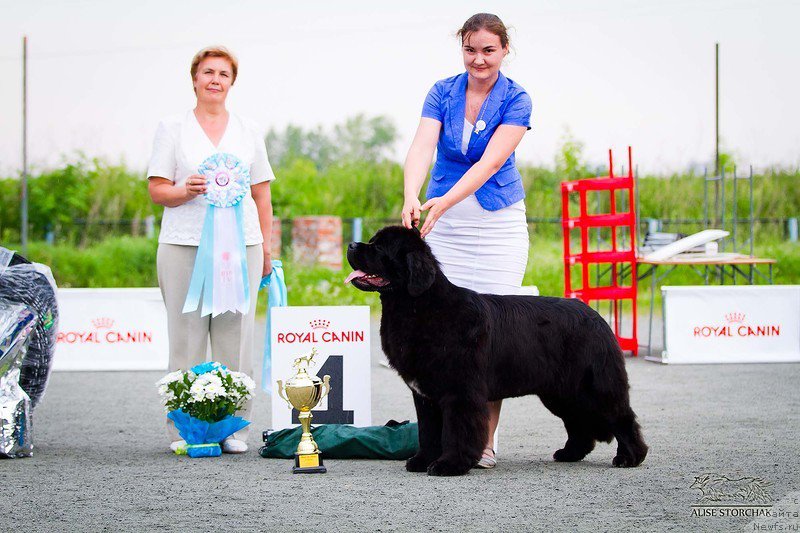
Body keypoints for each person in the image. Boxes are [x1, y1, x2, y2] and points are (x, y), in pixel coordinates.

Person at [401, 13, 532, 469]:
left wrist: (442, 202)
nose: (479, 59)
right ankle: (440, 441)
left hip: (498, 224)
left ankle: (484, 442)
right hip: (446, 229)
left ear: (504, 51)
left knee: (489, 335)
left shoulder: (517, 99)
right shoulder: (442, 91)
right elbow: (422, 146)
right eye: (470, 49)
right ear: (462, 49)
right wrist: (412, 194)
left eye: (488, 50)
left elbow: (490, 165)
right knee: (443, 334)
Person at [147, 46, 275, 454]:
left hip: (244, 247)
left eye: (223, 73)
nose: (215, 79)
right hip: (184, 245)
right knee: (185, 340)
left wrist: (268, 249)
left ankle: (233, 428)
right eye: (207, 72)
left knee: (236, 338)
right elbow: (157, 190)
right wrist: (184, 190)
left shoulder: (249, 129)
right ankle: (184, 429)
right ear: (195, 79)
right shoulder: (172, 127)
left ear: (232, 82)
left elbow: (262, 194)